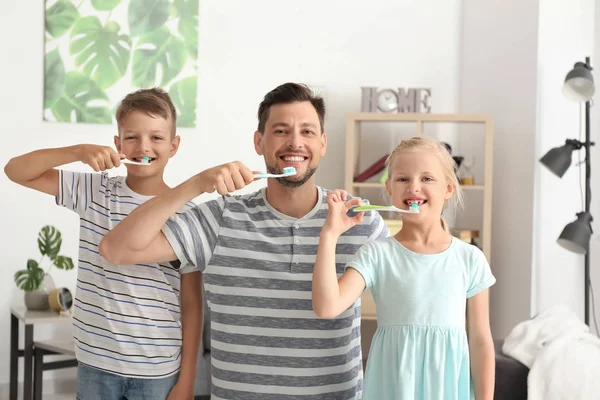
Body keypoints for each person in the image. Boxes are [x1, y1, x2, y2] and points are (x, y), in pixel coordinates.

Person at [98, 82, 390, 399]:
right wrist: (197, 183)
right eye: (281, 131)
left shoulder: (361, 222)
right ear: (259, 142)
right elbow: (116, 249)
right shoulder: (222, 218)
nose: (295, 142)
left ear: (322, 144)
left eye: (307, 132)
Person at [4, 88, 202, 400]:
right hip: (95, 365)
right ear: (118, 143)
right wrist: (79, 150)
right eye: (132, 137)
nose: (144, 146)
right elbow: (15, 171)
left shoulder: (186, 212)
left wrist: (188, 379)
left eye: (157, 138)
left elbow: (191, 302)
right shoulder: (95, 191)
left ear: (174, 145)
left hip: (157, 370)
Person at [312, 136, 496, 400]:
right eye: (402, 179)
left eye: (427, 179)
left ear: (448, 188)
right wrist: (330, 234)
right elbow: (326, 306)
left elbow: (480, 341)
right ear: (389, 188)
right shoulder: (377, 254)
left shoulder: (470, 259)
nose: (414, 187)